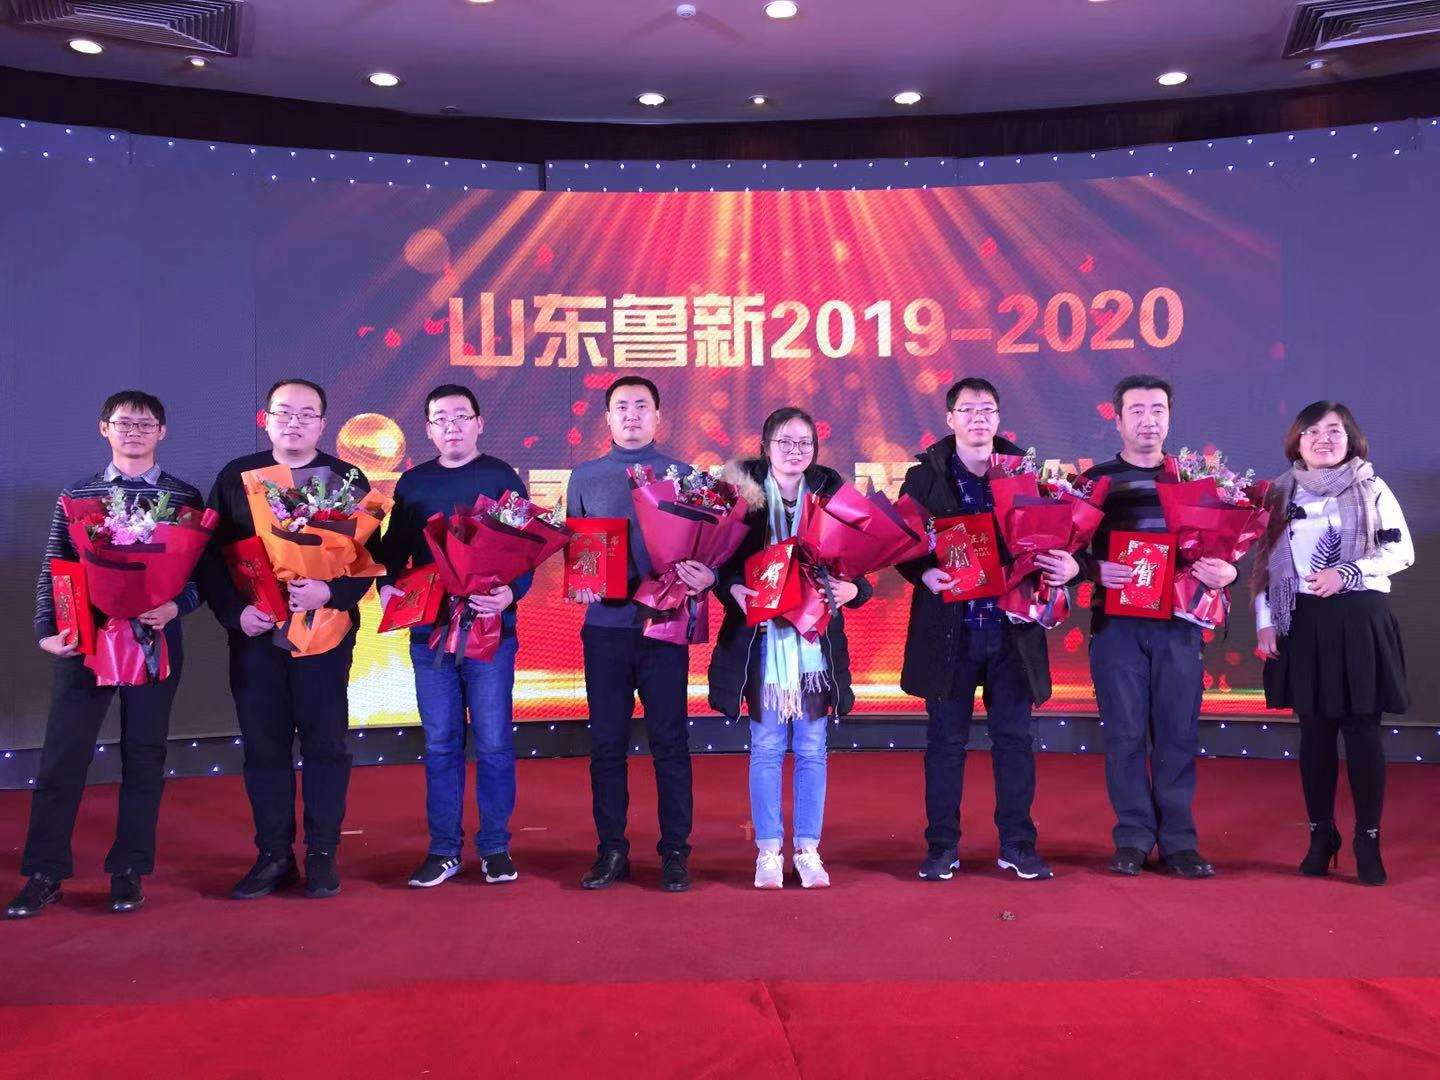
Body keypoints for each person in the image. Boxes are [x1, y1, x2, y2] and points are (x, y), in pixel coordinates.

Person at [6, 391, 203, 919]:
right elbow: (55, 564)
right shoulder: (78, 494)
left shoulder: (184, 496)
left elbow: (199, 575)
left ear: (162, 432)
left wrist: (176, 606)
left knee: (144, 753)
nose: (133, 431)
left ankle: (129, 870)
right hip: (86, 639)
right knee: (63, 754)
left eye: (145, 424)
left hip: (154, 638)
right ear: (104, 429)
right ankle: (44, 873)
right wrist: (47, 630)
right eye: (123, 422)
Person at [201, 378, 377, 900]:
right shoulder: (237, 476)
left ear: (323, 423)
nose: (294, 422)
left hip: (325, 636)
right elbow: (209, 557)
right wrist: (235, 613)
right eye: (284, 412)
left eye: (306, 414)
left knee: (326, 745)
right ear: (266, 419)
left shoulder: (347, 478)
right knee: (264, 747)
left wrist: (331, 591)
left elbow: (370, 560)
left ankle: (322, 854)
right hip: (258, 637)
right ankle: (273, 856)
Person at [897, 378, 1076, 882]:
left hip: (1011, 631)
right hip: (950, 631)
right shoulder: (924, 478)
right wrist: (923, 573)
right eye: (968, 409)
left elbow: (1057, 540)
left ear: (999, 418)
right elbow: (902, 544)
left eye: (988, 409)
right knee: (945, 743)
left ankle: (1017, 844)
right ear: (950, 418)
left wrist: (1068, 565)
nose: (979, 418)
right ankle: (941, 847)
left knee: (1014, 740)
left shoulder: (1028, 475)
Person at [708, 407, 872, 889]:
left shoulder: (830, 493)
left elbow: (859, 564)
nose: (795, 450)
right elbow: (717, 562)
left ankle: (807, 848)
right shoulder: (740, 494)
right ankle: (767, 850)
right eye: (785, 441)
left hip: (814, 645)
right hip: (762, 643)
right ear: (766, 446)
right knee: (765, 747)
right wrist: (733, 590)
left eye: (804, 443)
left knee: (812, 748)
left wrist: (854, 591)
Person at [1080, 374, 1236, 879]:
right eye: (1137, 410)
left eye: (1158, 410)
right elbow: (1066, 553)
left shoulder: (1194, 480)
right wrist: (1094, 569)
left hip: (1179, 624)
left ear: (1170, 416)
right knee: (1124, 735)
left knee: (1176, 734)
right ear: (1118, 419)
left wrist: (1228, 571)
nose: (1149, 420)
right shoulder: (1095, 482)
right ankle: (1131, 838)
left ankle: (1179, 843)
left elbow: (1225, 547)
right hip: (1117, 627)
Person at [565, 376, 715, 892]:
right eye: (621, 407)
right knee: (606, 744)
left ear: (657, 416)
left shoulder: (683, 475)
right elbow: (579, 549)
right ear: (607, 418)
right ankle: (611, 850)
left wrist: (707, 575)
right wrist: (582, 582)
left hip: (663, 627)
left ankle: (675, 852)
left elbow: (707, 547)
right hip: (604, 629)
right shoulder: (584, 476)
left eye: (641, 406)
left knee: (670, 742)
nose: (631, 415)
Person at [1253, 402, 1412, 886]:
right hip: (1303, 621)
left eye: (1334, 430)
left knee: (1363, 732)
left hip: (1360, 617)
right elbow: (1266, 565)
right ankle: (1321, 836)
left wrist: (1349, 572)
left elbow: (1401, 550)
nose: (1324, 439)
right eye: (1313, 432)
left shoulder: (1372, 485)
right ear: (1297, 441)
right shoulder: (1279, 493)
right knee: (1315, 734)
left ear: (1351, 437)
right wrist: (1265, 622)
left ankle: (1368, 838)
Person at [378, 384, 531, 889]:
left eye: (461, 416)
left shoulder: (501, 476)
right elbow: (393, 551)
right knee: (441, 744)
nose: (452, 426)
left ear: (479, 423)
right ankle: (443, 850)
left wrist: (511, 593)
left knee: (494, 743)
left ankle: (495, 848)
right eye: (441, 419)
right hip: (430, 634)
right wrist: (386, 587)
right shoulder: (414, 483)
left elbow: (526, 550)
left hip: (491, 632)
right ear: (428, 429)